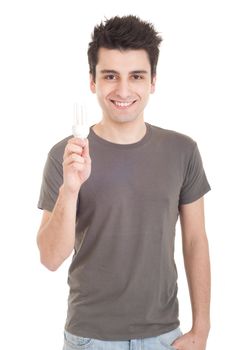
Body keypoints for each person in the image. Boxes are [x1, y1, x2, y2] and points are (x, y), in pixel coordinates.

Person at [37, 15, 211, 350]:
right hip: (89, 338)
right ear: (93, 81)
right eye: (110, 76)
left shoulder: (183, 151)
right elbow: (49, 257)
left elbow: (195, 240)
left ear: (153, 81)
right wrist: (70, 188)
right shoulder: (66, 155)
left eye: (136, 76)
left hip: (164, 337)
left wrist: (201, 328)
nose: (123, 90)